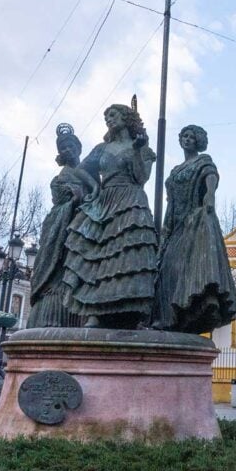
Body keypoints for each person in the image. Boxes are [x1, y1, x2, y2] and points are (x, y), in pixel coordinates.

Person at [62, 101, 158, 329]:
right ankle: (95, 312)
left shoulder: (143, 148)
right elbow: (81, 169)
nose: (109, 120)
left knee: (131, 255)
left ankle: (133, 311)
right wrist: (95, 187)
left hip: (132, 198)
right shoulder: (101, 149)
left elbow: (142, 177)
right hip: (106, 200)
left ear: (126, 118)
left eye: (113, 115)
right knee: (100, 254)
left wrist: (136, 150)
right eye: (107, 118)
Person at [153, 125, 236, 333]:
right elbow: (171, 200)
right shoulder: (175, 170)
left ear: (198, 141)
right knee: (167, 268)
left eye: (192, 137)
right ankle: (168, 318)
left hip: (195, 221)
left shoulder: (203, 160)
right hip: (175, 224)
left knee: (189, 268)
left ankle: (187, 312)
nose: (187, 140)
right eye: (184, 136)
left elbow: (211, 175)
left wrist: (210, 194)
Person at [28, 124, 97, 328]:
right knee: (58, 272)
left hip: (86, 228)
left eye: (70, 146)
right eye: (62, 148)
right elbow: (61, 202)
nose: (66, 150)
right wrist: (74, 201)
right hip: (62, 228)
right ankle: (54, 315)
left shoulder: (90, 172)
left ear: (78, 148)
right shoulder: (58, 179)